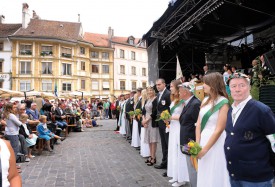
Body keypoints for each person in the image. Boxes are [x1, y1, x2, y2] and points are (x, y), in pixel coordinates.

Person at [224, 73, 275, 187]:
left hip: (257, 179)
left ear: (249, 87)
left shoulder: (261, 110)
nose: (237, 89)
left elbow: (273, 141)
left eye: (242, 85)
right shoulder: (231, 110)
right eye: (234, 86)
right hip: (235, 175)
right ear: (229, 89)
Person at [196, 72, 230, 187]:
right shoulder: (205, 100)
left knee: (215, 170)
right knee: (204, 170)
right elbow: (199, 123)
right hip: (203, 139)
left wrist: (204, 150)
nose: (203, 86)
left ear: (213, 84)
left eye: (205, 83)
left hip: (216, 142)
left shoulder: (223, 103)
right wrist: (197, 143)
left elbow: (219, 129)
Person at [167, 79, 189, 187]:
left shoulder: (182, 100)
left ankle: (182, 178)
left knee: (180, 152)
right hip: (173, 127)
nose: (170, 88)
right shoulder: (173, 99)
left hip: (180, 127)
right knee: (173, 152)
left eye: (171, 86)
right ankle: (175, 175)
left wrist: (171, 117)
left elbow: (185, 115)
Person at [179, 82, 201, 187]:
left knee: (193, 168)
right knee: (190, 168)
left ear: (185, 92)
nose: (178, 93)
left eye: (180, 91)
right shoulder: (189, 102)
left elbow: (199, 124)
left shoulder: (195, 103)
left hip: (191, 141)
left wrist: (195, 142)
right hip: (187, 140)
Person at [154, 78, 171, 175]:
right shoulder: (159, 94)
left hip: (167, 123)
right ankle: (164, 162)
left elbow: (170, 108)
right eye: (156, 85)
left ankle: (169, 166)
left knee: (168, 144)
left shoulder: (168, 94)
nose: (157, 86)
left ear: (164, 84)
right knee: (163, 144)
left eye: (159, 84)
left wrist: (168, 119)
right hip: (161, 123)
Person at [142, 86, 159, 166]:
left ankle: (153, 157)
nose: (149, 92)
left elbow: (155, 112)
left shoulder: (156, 99)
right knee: (149, 140)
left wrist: (147, 120)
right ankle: (150, 156)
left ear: (154, 91)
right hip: (146, 121)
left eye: (151, 90)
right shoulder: (147, 100)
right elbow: (143, 111)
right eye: (148, 90)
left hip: (152, 121)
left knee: (153, 141)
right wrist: (143, 120)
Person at [139, 89, 150, 158]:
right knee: (143, 137)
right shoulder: (143, 101)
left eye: (143, 93)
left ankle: (147, 152)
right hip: (143, 121)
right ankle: (144, 151)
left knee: (146, 137)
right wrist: (143, 120)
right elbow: (143, 112)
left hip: (147, 121)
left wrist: (145, 121)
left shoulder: (148, 101)